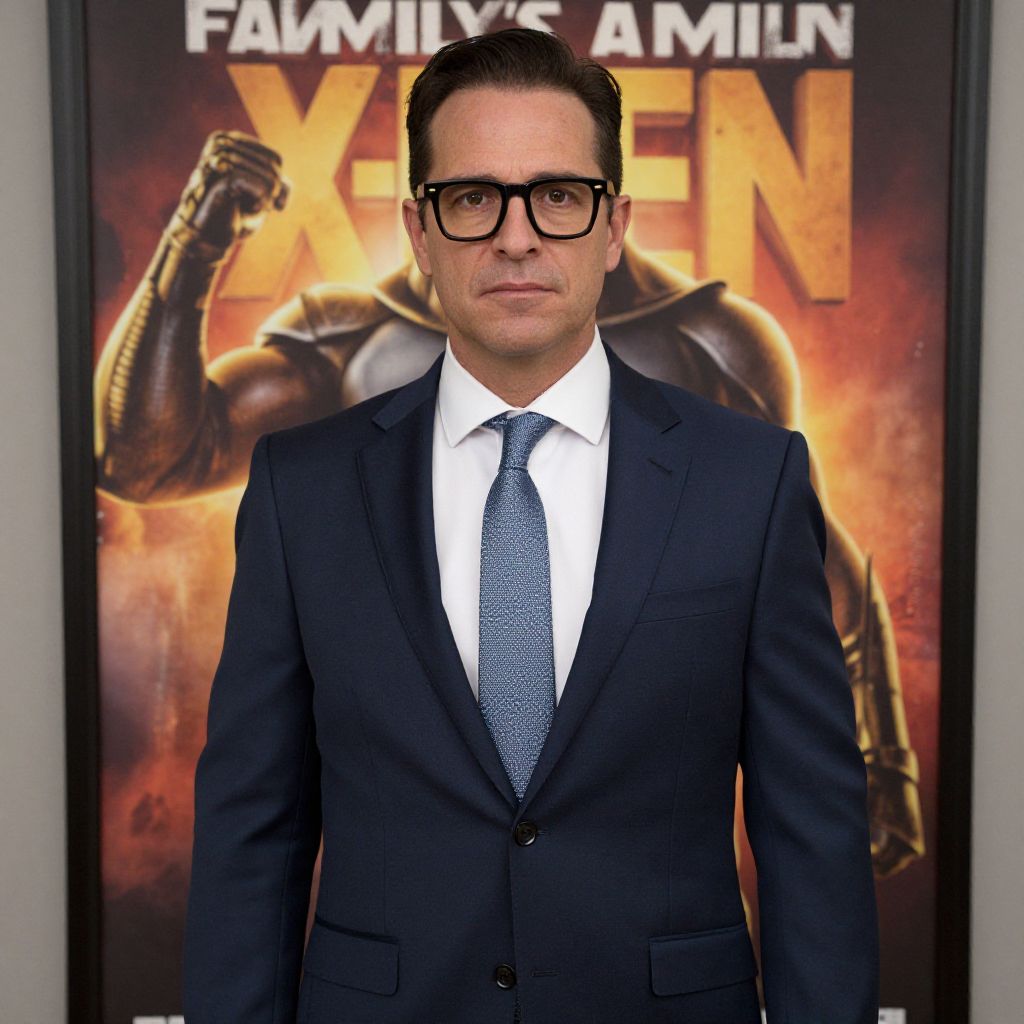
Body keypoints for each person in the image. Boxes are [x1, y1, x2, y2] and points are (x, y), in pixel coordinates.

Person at [182, 27, 878, 1024]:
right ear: (420, 230)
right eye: (473, 198)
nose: (517, 238)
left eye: (558, 195)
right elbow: (253, 831)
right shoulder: (304, 489)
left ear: (613, 224)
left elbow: (812, 832)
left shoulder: (751, 479)